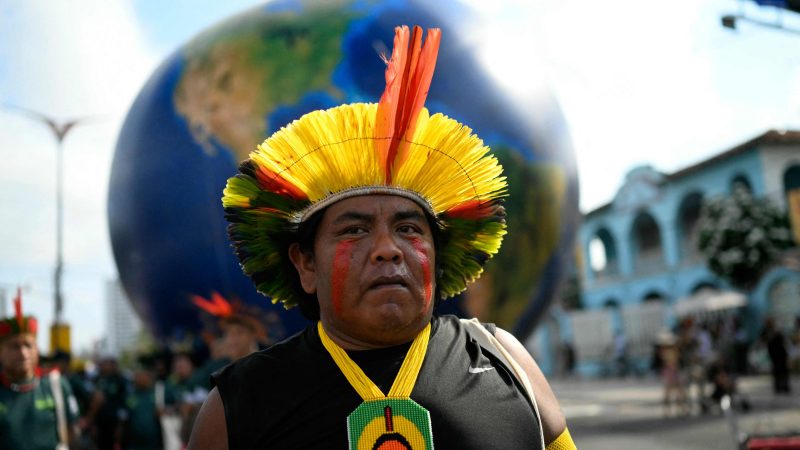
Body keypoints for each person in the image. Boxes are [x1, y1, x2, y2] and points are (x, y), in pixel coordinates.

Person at [188, 25, 574, 449]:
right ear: (306, 263)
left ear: (438, 255)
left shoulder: (506, 362)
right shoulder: (238, 407)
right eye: (354, 230)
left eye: (408, 229)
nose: (388, 249)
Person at [0, 288, 79, 450]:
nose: (23, 353)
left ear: (37, 349)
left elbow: (71, 433)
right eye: (14, 347)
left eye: (28, 345)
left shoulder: (55, 385)